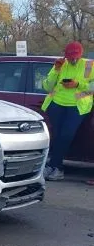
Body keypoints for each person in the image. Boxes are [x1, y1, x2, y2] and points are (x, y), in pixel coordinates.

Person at [41, 41, 93, 181]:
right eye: (70, 57)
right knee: (57, 136)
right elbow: (47, 86)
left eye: (76, 56)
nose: (73, 59)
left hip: (78, 106)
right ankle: (55, 167)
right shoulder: (60, 64)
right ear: (66, 55)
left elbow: (92, 87)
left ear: (81, 54)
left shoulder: (89, 66)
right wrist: (56, 70)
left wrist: (78, 84)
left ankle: (55, 167)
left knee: (65, 136)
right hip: (56, 104)